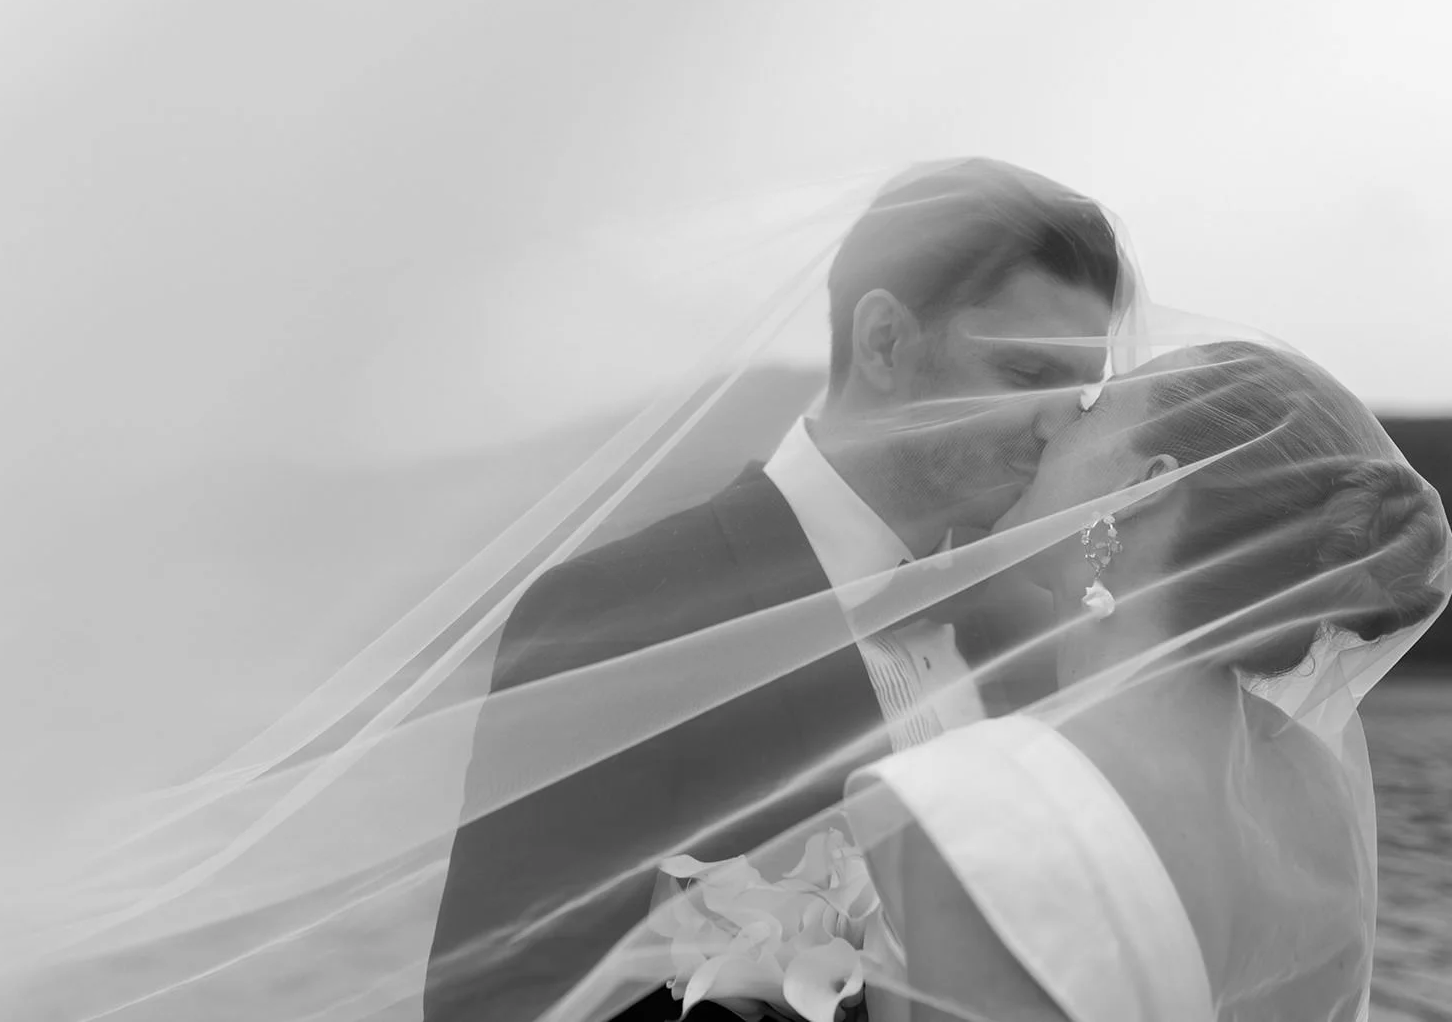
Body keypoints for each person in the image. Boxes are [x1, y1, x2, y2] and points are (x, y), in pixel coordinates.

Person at [422, 159, 1130, 1022]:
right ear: (883, 343)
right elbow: (495, 1005)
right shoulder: (624, 614)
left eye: (1082, 390)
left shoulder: (1014, 628)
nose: (1061, 424)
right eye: (1027, 376)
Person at [840, 341, 1452, 1021]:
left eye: (1093, 405)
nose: (1051, 426)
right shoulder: (1322, 790)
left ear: (1143, 486)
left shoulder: (981, 803)